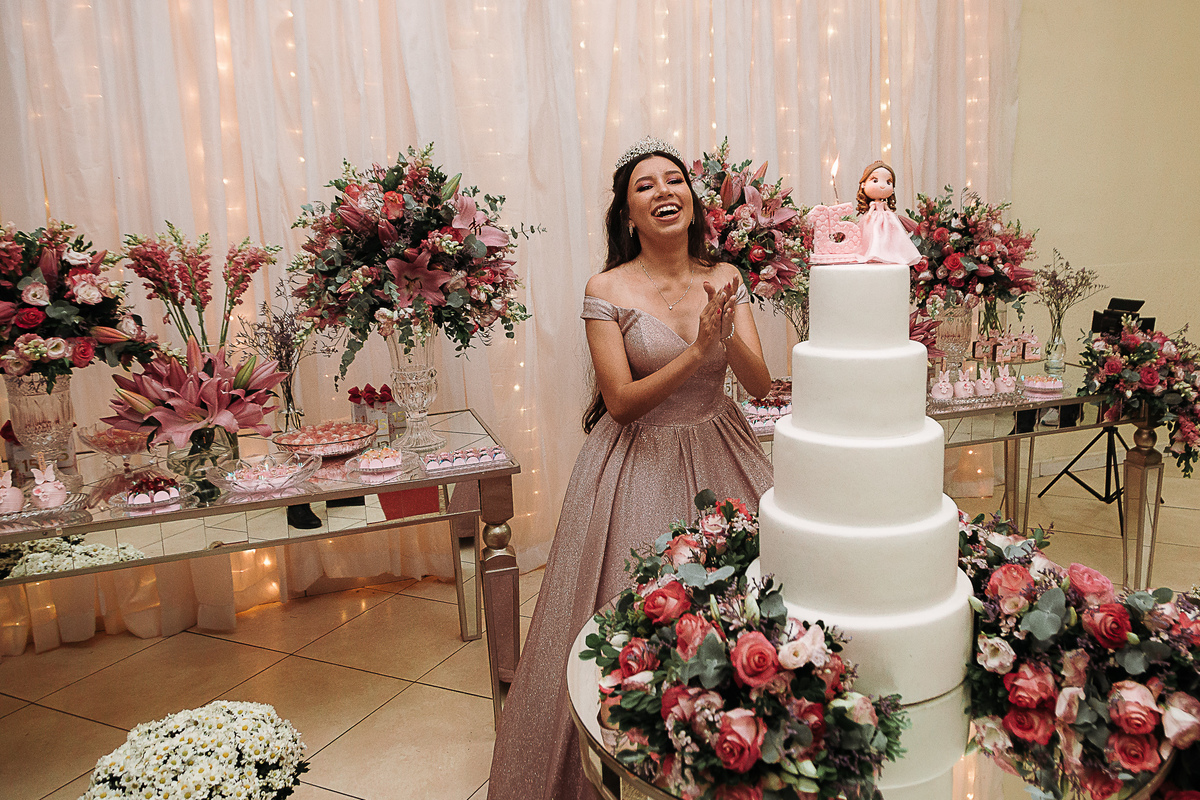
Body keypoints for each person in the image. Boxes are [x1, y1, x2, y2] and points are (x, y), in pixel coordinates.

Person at [487, 137, 774, 799]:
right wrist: (697, 349)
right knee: (639, 617)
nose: (664, 192)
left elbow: (759, 386)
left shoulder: (726, 275)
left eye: (674, 180)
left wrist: (725, 334)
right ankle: (638, 761)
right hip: (636, 462)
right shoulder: (607, 288)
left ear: (692, 201)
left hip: (723, 447)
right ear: (627, 214)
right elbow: (619, 401)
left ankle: (735, 749)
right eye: (645, 186)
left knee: (746, 605)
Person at [856, 160, 922, 266]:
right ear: (863, 184)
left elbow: (888, 209)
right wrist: (869, 215)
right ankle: (874, 252)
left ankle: (890, 252)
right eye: (875, 180)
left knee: (890, 235)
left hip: (886, 219)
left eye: (888, 182)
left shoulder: (884, 204)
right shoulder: (873, 204)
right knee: (874, 235)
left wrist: (891, 215)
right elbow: (871, 210)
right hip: (873, 219)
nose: (882, 185)